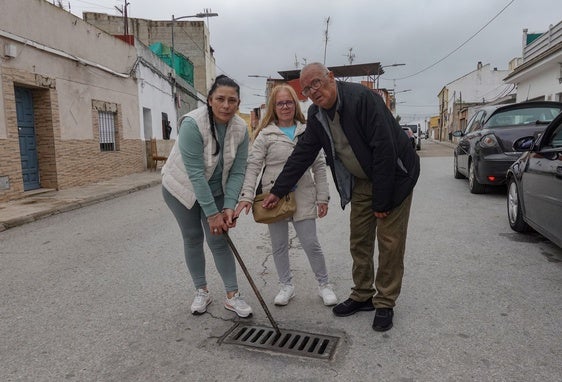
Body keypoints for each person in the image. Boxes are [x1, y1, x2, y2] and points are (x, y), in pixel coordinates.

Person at [262, 63, 420, 332]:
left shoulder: (363, 99)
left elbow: (384, 149)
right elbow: (302, 154)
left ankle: (384, 302)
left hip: (395, 177)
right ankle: (362, 294)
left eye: (317, 83)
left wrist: (382, 201)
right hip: (362, 181)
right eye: (307, 88)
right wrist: (278, 190)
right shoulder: (317, 115)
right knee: (359, 239)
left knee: (389, 242)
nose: (314, 91)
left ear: (331, 78)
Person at [235, 84, 337, 307]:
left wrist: (323, 197)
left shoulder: (308, 130)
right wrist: (246, 196)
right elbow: (253, 166)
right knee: (279, 245)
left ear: (295, 104)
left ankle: (324, 285)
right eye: (280, 103)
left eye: (289, 102)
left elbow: (319, 166)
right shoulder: (265, 134)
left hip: (304, 195)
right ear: (273, 106)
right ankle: (286, 286)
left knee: (311, 243)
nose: (285, 106)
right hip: (274, 198)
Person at [161, 75, 253, 318]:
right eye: (220, 99)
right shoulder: (192, 123)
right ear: (210, 100)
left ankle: (233, 295)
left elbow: (238, 170)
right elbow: (194, 173)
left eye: (232, 100)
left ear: (238, 103)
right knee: (192, 236)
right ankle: (201, 290)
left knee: (219, 240)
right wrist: (212, 214)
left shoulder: (241, 129)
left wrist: (229, 207)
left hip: (217, 189)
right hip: (181, 187)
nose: (226, 105)